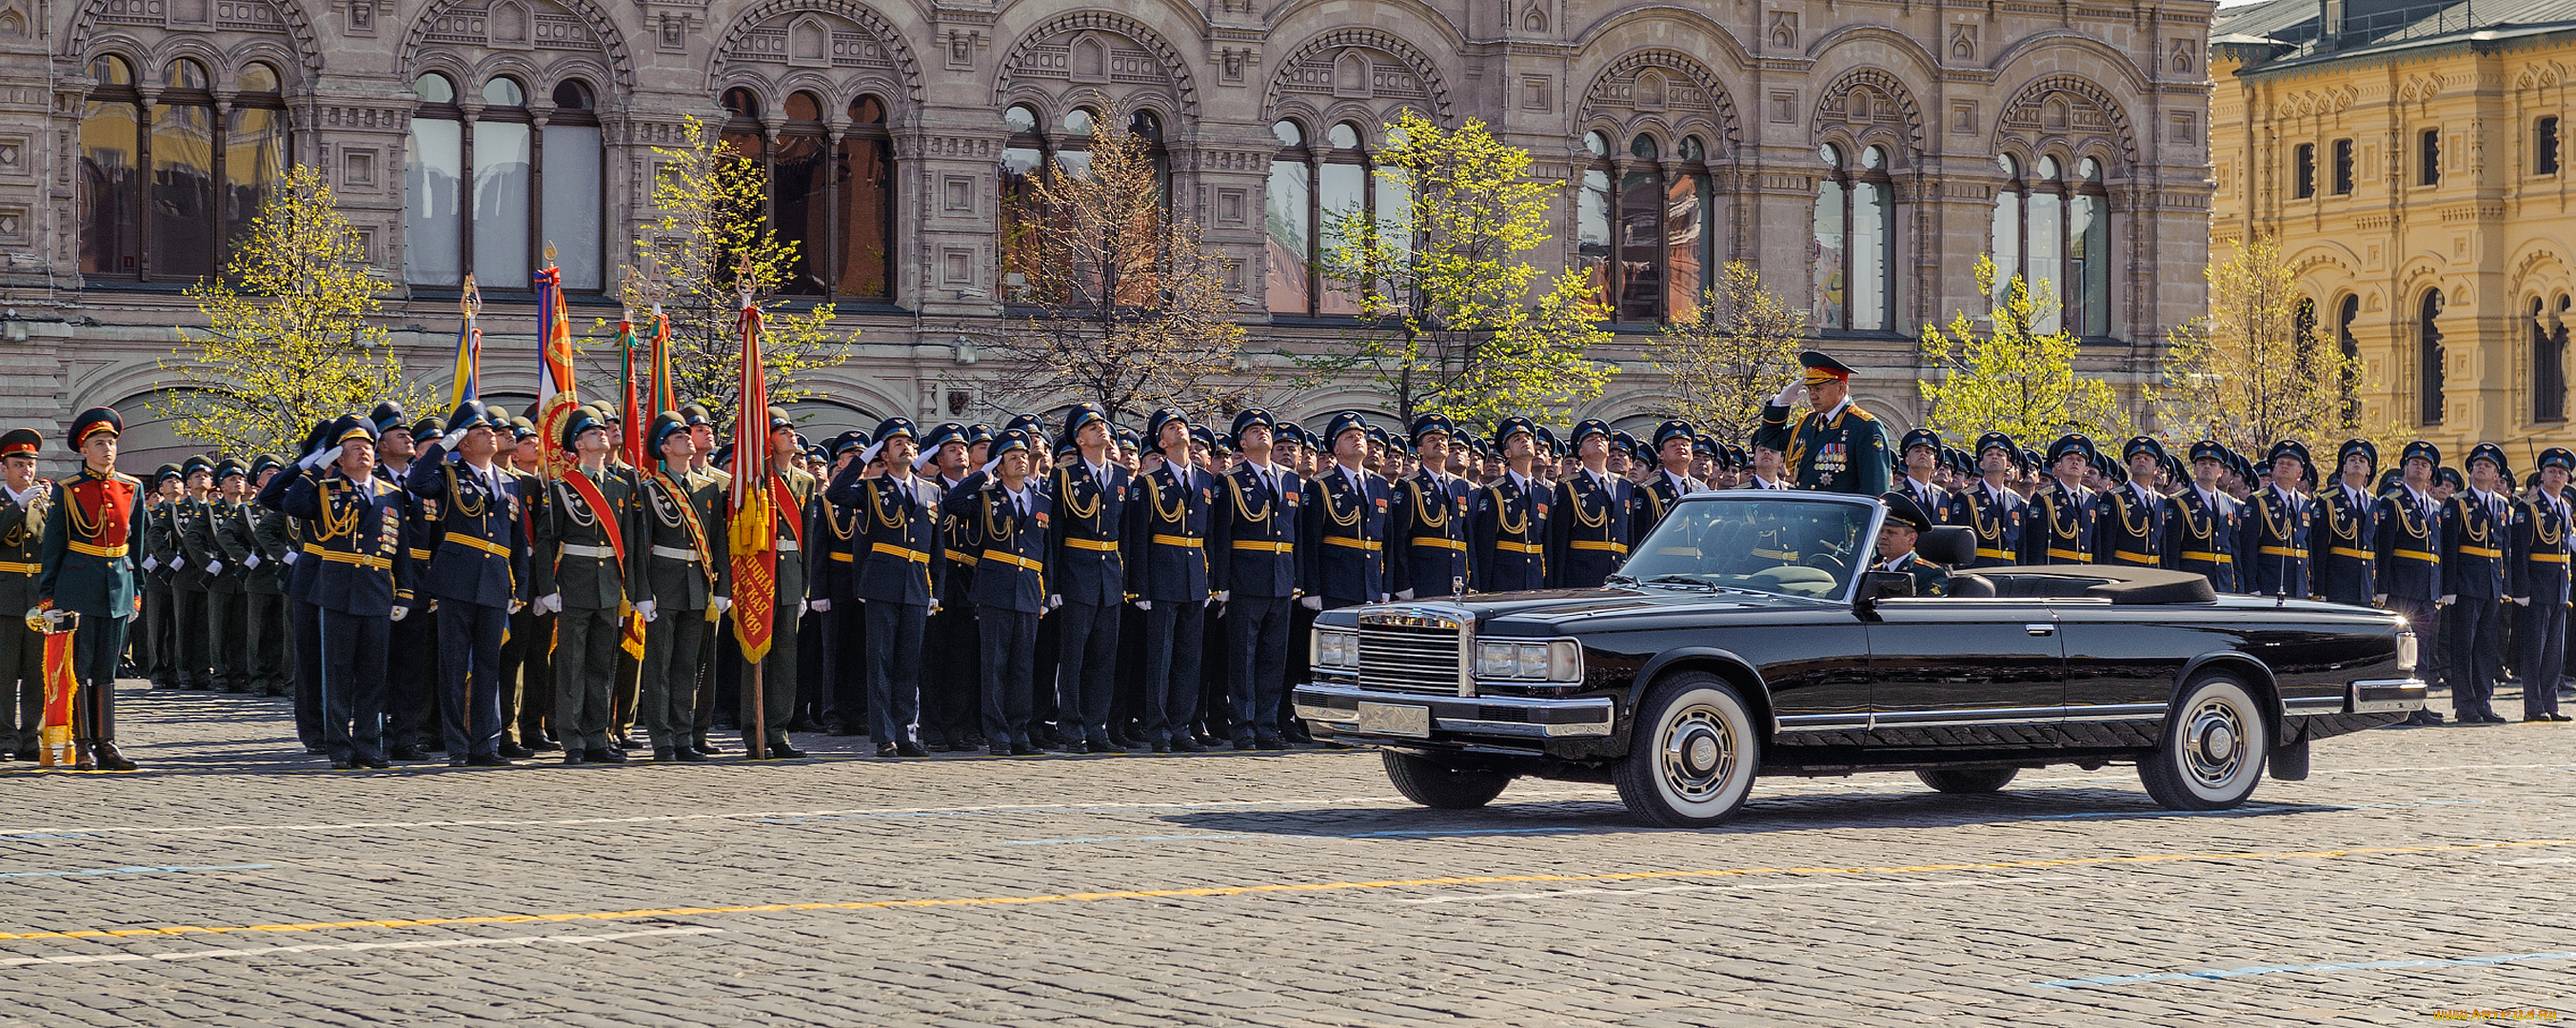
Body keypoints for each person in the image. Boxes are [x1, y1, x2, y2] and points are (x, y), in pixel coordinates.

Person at [280, 415, 412, 769]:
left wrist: (405, 594)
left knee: (373, 674)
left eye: (368, 447)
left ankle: (369, 744)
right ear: (338, 457)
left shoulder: (392, 495)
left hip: (377, 588)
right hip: (337, 587)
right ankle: (339, 745)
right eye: (354, 448)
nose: (363, 453)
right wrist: (315, 466)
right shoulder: (325, 490)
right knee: (336, 672)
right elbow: (289, 502)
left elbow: (400, 549)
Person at [404, 400, 531, 767]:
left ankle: (485, 744)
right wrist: (444, 445)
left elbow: (518, 541)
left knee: (490, 665)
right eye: (479, 431)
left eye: (490, 429)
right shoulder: (448, 475)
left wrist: (519, 587)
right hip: (457, 578)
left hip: (494, 581)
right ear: (463, 443)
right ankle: (458, 745)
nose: (490, 435)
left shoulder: (509, 482)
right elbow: (416, 481)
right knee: (455, 665)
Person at [33, 408, 147, 770]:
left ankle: (107, 743)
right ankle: (82, 744)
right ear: (84, 450)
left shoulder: (132, 488)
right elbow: (54, 547)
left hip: (118, 586)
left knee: (107, 668)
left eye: (112, 443)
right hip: (78, 586)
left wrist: (137, 590)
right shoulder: (68, 491)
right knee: (79, 668)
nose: (108, 449)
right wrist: (48, 596)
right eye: (100, 443)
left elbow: (139, 547)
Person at [530, 405, 643, 765]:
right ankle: (573, 740)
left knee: (601, 666)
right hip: (575, 582)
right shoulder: (563, 487)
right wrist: (548, 586)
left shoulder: (621, 487)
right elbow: (548, 541)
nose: (602, 435)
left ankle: (598, 737)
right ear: (578, 444)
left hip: (609, 584)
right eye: (592, 432)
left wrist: (635, 592)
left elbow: (630, 546)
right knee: (572, 665)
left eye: (602, 431)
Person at [828, 415, 938, 758]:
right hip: (882, 582)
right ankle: (885, 735)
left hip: (918, 583)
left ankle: (907, 733)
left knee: (909, 662)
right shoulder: (871, 488)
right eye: (896, 443)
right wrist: (863, 458)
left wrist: (938, 591)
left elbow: (936, 547)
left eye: (909, 443)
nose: (905, 446)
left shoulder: (931, 491)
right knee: (880, 662)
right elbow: (835, 493)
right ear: (885, 455)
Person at [946, 428, 1049, 756]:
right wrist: (982, 474)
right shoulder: (987, 498)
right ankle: (998, 735)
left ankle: (1019, 732)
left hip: (1030, 590)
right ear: (999, 466)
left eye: (1023, 456)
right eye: (1011, 458)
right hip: (995, 587)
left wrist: (1049, 592)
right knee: (995, 665)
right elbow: (953, 502)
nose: (1020, 461)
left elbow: (1048, 550)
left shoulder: (1043, 501)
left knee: (1023, 665)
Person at [635, 412, 727, 761]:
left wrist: (722, 587)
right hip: (663, 583)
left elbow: (717, 542)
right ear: (663, 447)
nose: (687, 438)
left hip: (697, 585)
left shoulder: (708, 489)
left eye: (688, 434)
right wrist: (642, 592)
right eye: (678, 435)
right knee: (659, 666)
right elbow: (641, 545)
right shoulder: (651, 490)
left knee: (687, 666)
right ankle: (662, 739)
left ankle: (683, 735)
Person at [1209, 408, 1300, 750]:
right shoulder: (1230, 480)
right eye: (1253, 430)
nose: (1262, 433)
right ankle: (1243, 726)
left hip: (1281, 577)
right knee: (1243, 657)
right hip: (1246, 576)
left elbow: (1297, 534)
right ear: (1242, 443)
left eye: (1266, 428)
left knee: (1273, 656)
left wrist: (1298, 578)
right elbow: (1222, 536)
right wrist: (1223, 584)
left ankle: (1267, 724)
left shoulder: (1290, 479)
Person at [1125, 408, 1213, 754]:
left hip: (1194, 577)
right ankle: (1158, 729)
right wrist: (1141, 587)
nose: (1180, 429)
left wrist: (1212, 582)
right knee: (1160, 659)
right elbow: (1140, 538)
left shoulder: (1207, 481)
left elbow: (1211, 537)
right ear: (1161, 443)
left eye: (1183, 425)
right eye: (1171, 428)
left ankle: (1181, 727)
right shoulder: (1149, 482)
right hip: (1161, 575)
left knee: (1189, 658)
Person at [2443, 443, 2513, 725]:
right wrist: (2448, 588)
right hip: (2465, 582)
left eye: (2489, 466)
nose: (2482, 467)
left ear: (2496, 476)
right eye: (2478, 464)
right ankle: (2465, 704)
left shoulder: (2502, 505)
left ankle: (2483, 700)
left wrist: (2506, 586)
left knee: (2486, 646)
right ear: (2470, 470)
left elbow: (2504, 548)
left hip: (2492, 583)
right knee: (2464, 646)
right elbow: (2449, 548)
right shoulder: (2457, 502)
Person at [2377, 441, 2446, 726]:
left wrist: (2438, 588)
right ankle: (2398, 708)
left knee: (2424, 651)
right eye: (2415, 463)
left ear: (2430, 474)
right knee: (2402, 651)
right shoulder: (2391, 502)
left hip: (2426, 588)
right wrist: (2381, 588)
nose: (2420, 467)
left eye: (2426, 465)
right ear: (2405, 468)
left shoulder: (2433, 506)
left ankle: (2419, 705)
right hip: (2401, 587)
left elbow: (2436, 551)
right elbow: (2384, 548)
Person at [1760, 350, 1891, 495]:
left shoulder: (1864, 426)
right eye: (1810, 389)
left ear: (1841, 388)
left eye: (1818, 389)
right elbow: (1770, 439)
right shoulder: (1808, 422)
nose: (1812, 395)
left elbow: (1875, 490)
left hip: (1843, 515)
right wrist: (1780, 404)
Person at [2512, 447, 2573, 722]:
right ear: (2542, 475)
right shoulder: (2528, 507)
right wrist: (2521, 590)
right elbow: (2520, 551)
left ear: (2567, 478)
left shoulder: (2566, 508)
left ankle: (2552, 703)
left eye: (2562, 472)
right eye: (2552, 471)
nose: (2557, 475)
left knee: (2553, 653)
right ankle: (2533, 706)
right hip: (2536, 587)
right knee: (2534, 651)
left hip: (2559, 588)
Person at [1546, 419, 1640, 589]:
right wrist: (1557, 585)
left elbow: (1630, 537)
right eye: (1590, 439)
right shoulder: (1569, 486)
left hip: (1619, 575)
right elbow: (1559, 542)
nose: (1598, 440)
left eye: (1603, 438)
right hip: (1582, 575)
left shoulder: (1625, 485)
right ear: (1580, 451)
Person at [0, 427, 48, 761]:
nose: (26, 470)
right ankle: (5, 737)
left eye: (30, 464)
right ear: (4, 468)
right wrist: (17, 505)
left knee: (37, 673)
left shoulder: (44, 504)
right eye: (19, 464)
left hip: (38, 600)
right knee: (3, 674)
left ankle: (30, 736)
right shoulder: (9, 502)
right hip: (4, 597)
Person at [1390, 413, 1473, 601]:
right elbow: (1400, 539)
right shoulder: (1410, 485)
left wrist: (1473, 578)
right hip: (1425, 577)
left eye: (1443, 439)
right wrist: (1403, 584)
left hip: (1457, 576)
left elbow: (1467, 537)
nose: (1439, 443)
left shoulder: (1460, 485)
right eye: (1432, 440)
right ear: (1420, 449)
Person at [1470, 417, 1548, 593]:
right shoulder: (1494, 491)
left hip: (1536, 581)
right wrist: (1483, 589)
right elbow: (1485, 546)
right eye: (1517, 439)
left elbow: (1547, 543)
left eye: (1527, 438)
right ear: (1507, 453)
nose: (1524, 441)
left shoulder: (1544, 492)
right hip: (1504, 581)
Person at [2243, 441, 2316, 599]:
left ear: (2300, 473)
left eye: (2290, 464)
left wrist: (2311, 584)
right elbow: (2248, 548)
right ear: (2273, 470)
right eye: (2280, 463)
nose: (2284, 466)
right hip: (2269, 583)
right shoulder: (2258, 501)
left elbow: (2308, 546)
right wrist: (2252, 587)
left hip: (2299, 586)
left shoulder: (2304, 503)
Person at [2311, 439, 2380, 606]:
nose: (2357, 463)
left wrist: (2378, 588)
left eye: (2362, 461)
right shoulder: (2328, 501)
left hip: (2365, 585)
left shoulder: (2375, 503)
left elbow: (2377, 547)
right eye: (2352, 460)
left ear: (2368, 470)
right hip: (2337, 583)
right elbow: (2319, 549)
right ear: (2344, 467)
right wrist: (2319, 590)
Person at [2169, 441, 2242, 592]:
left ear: (2221, 471)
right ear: (2194, 469)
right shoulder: (2179, 501)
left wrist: (2240, 586)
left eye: (2213, 464)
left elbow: (2235, 549)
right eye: (2202, 463)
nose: (2207, 466)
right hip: (2193, 582)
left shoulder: (2230, 503)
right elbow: (2172, 551)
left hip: (2224, 582)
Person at [1952, 431, 2026, 569]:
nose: (1995, 457)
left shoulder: (2017, 501)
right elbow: (1960, 544)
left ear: (2008, 464)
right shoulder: (1967, 498)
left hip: (2010, 572)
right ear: (1981, 464)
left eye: (2000, 455)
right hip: (1979, 570)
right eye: (1989, 454)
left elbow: (2021, 546)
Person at [2094, 437, 2170, 568]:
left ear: (2156, 469)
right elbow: (2106, 544)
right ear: (2129, 467)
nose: (2142, 460)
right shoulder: (2115, 498)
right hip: (2125, 571)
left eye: (2147, 459)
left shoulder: (2161, 501)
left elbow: (2163, 548)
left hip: (2155, 575)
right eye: (2137, 458)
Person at [2024, 435, 2097, 564]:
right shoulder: (2044, 498)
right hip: (2056, 573)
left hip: (2087, 574)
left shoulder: (2092, 499)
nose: (2075, 462)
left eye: (2080, 460)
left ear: (2086, 469)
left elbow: (2096, 545)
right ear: (2059, 466)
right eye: (2069, 459)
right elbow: (2035, 546)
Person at [1872, 491, 1949, 597]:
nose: (1883, 537)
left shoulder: (1929, 575)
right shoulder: (1871, 572)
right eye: (1881, 531)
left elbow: (1927, 612)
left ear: (1911, 539)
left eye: (1891, 532)